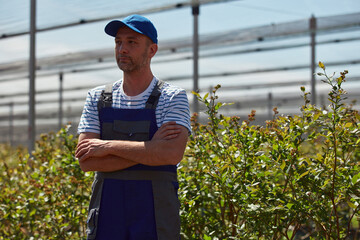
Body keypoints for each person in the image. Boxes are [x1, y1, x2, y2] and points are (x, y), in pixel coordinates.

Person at [75, 14, 191, 240]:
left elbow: (171, 153)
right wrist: (151, 149)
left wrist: (107, 146)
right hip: (107, 214)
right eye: (118, 42)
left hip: (156, 216)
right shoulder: (97, 97)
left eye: (132, 42)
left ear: (152, 50)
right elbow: (86, 160)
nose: (122, 49)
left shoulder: (172, 97)